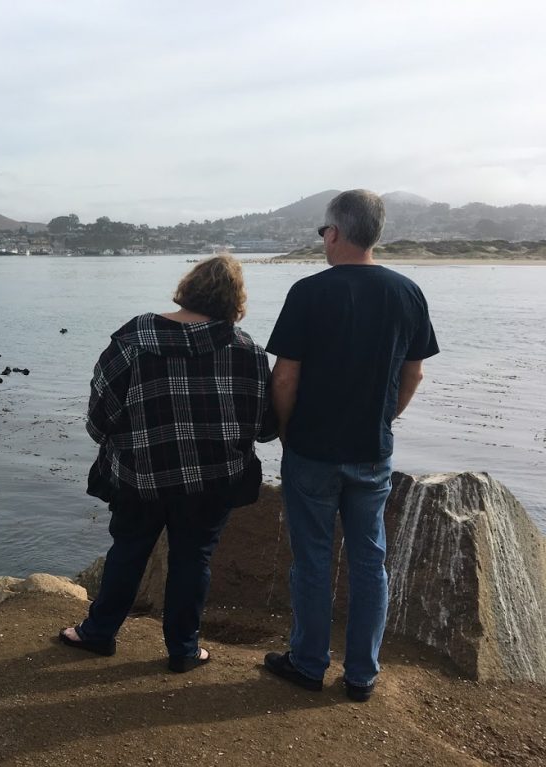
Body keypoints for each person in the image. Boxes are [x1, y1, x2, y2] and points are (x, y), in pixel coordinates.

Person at [262, 189, 439, 701]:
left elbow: (285, 380)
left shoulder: (309, 292)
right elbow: (414, 373)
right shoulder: (408, 292)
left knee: (313, 560)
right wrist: (386, 419)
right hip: (372, 451)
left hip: (313, 449)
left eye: (323, 232)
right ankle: (361, 674)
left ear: (334, 233)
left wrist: (286, 430)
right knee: (369, 560)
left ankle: (309, 661)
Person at [59, 255, 275, 672]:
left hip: (140, 475)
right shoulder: (248, 350)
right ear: (235, 300)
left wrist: (118, 441)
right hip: (214, 480)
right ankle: (184, 650)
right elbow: (263, 427)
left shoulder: (134, 338)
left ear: (187, 286)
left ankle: (98, 633)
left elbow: (100, 413)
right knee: (193, 559)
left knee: (129, 550)